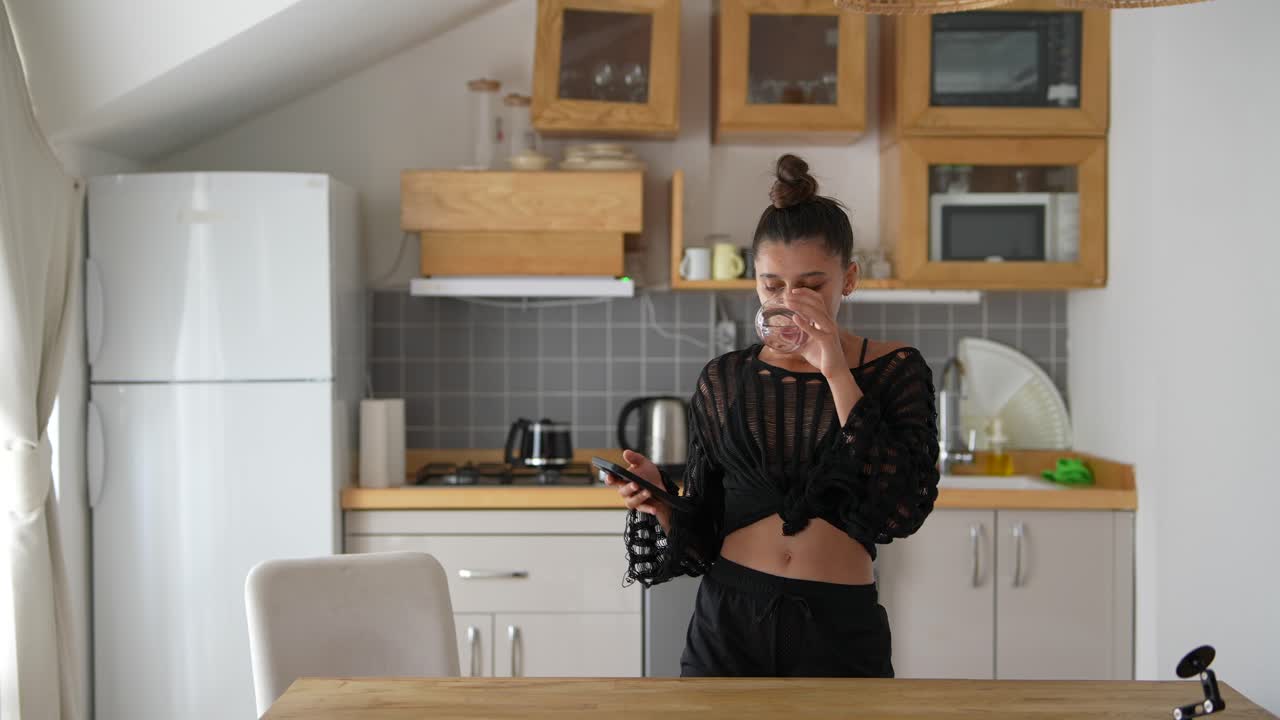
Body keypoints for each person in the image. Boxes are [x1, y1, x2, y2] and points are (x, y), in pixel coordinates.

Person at [605, 154, 940, 678]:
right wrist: (662, 501)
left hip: (837, 628)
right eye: (771, 286)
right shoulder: (725, 379)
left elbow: (901, 507)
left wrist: (834, 370)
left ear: (848, 278)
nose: (789, 303)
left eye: (811, 286)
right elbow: (706, 535)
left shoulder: (895, 370)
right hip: (728, 624)